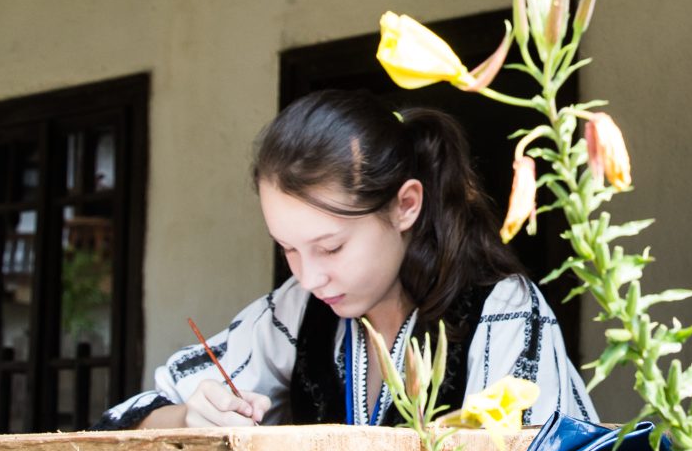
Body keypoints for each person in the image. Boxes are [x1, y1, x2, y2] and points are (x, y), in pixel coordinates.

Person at [99, 89, 596, 432]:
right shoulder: (297, 310)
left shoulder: (501, 309)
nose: (310, 277)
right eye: (288, 249)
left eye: (331, 247)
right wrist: (190, 417)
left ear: (405, 206)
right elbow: (126, 417)